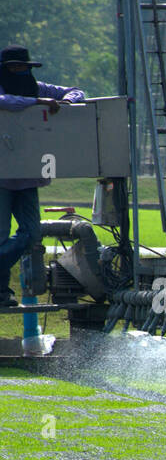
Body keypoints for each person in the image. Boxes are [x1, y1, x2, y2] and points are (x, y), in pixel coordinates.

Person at [0, 45, 85, 307]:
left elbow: (77, 91)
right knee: (1, 235)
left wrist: (66, 102)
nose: (20, 71)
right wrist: (37, 103)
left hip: (28, 177)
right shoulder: (17, 92)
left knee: (31, 233)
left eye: (23, 67)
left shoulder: (38, 88)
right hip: (2, 178)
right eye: (14, 68)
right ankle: (3, 293)